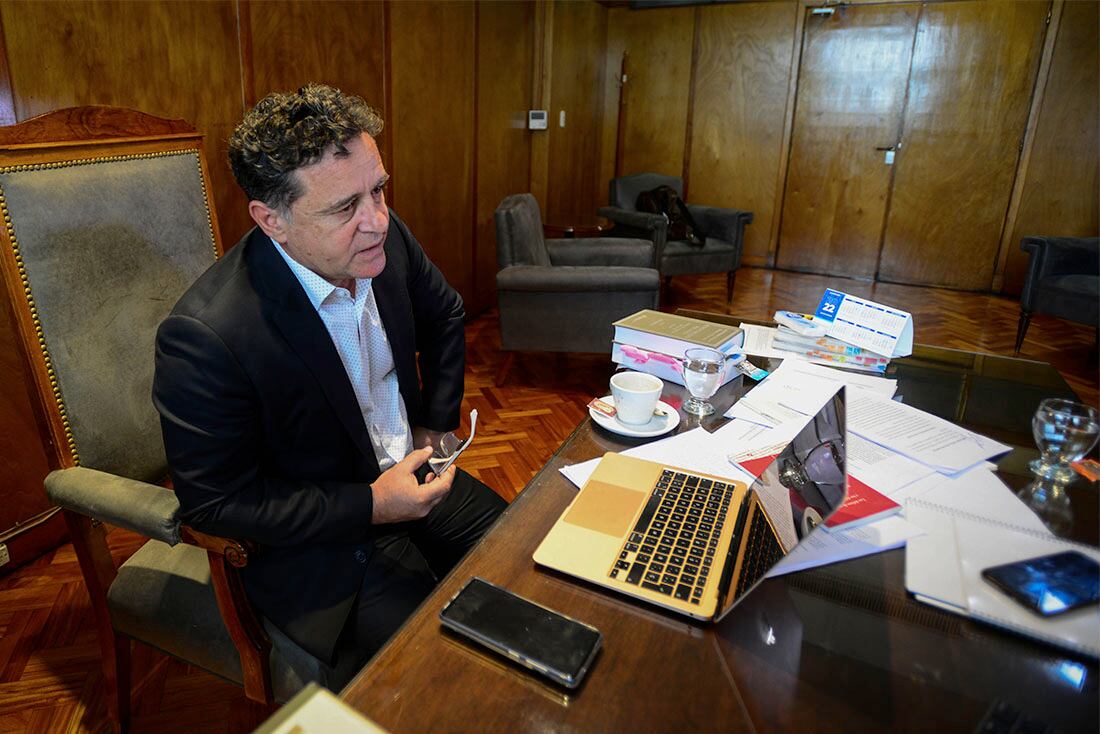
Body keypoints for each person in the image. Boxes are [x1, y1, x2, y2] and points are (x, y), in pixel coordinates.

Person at [152, 84, 506, 669]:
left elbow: (444, 311)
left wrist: (435, 426)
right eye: (345, 208)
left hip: (411, 472)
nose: (377, 222)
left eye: (380, 189)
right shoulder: (206, 335)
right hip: (327, 541)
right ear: (273, 221)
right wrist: (371, 505)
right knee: (444, 667)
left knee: (526, 566)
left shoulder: (383, 239)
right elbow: (215, 505)